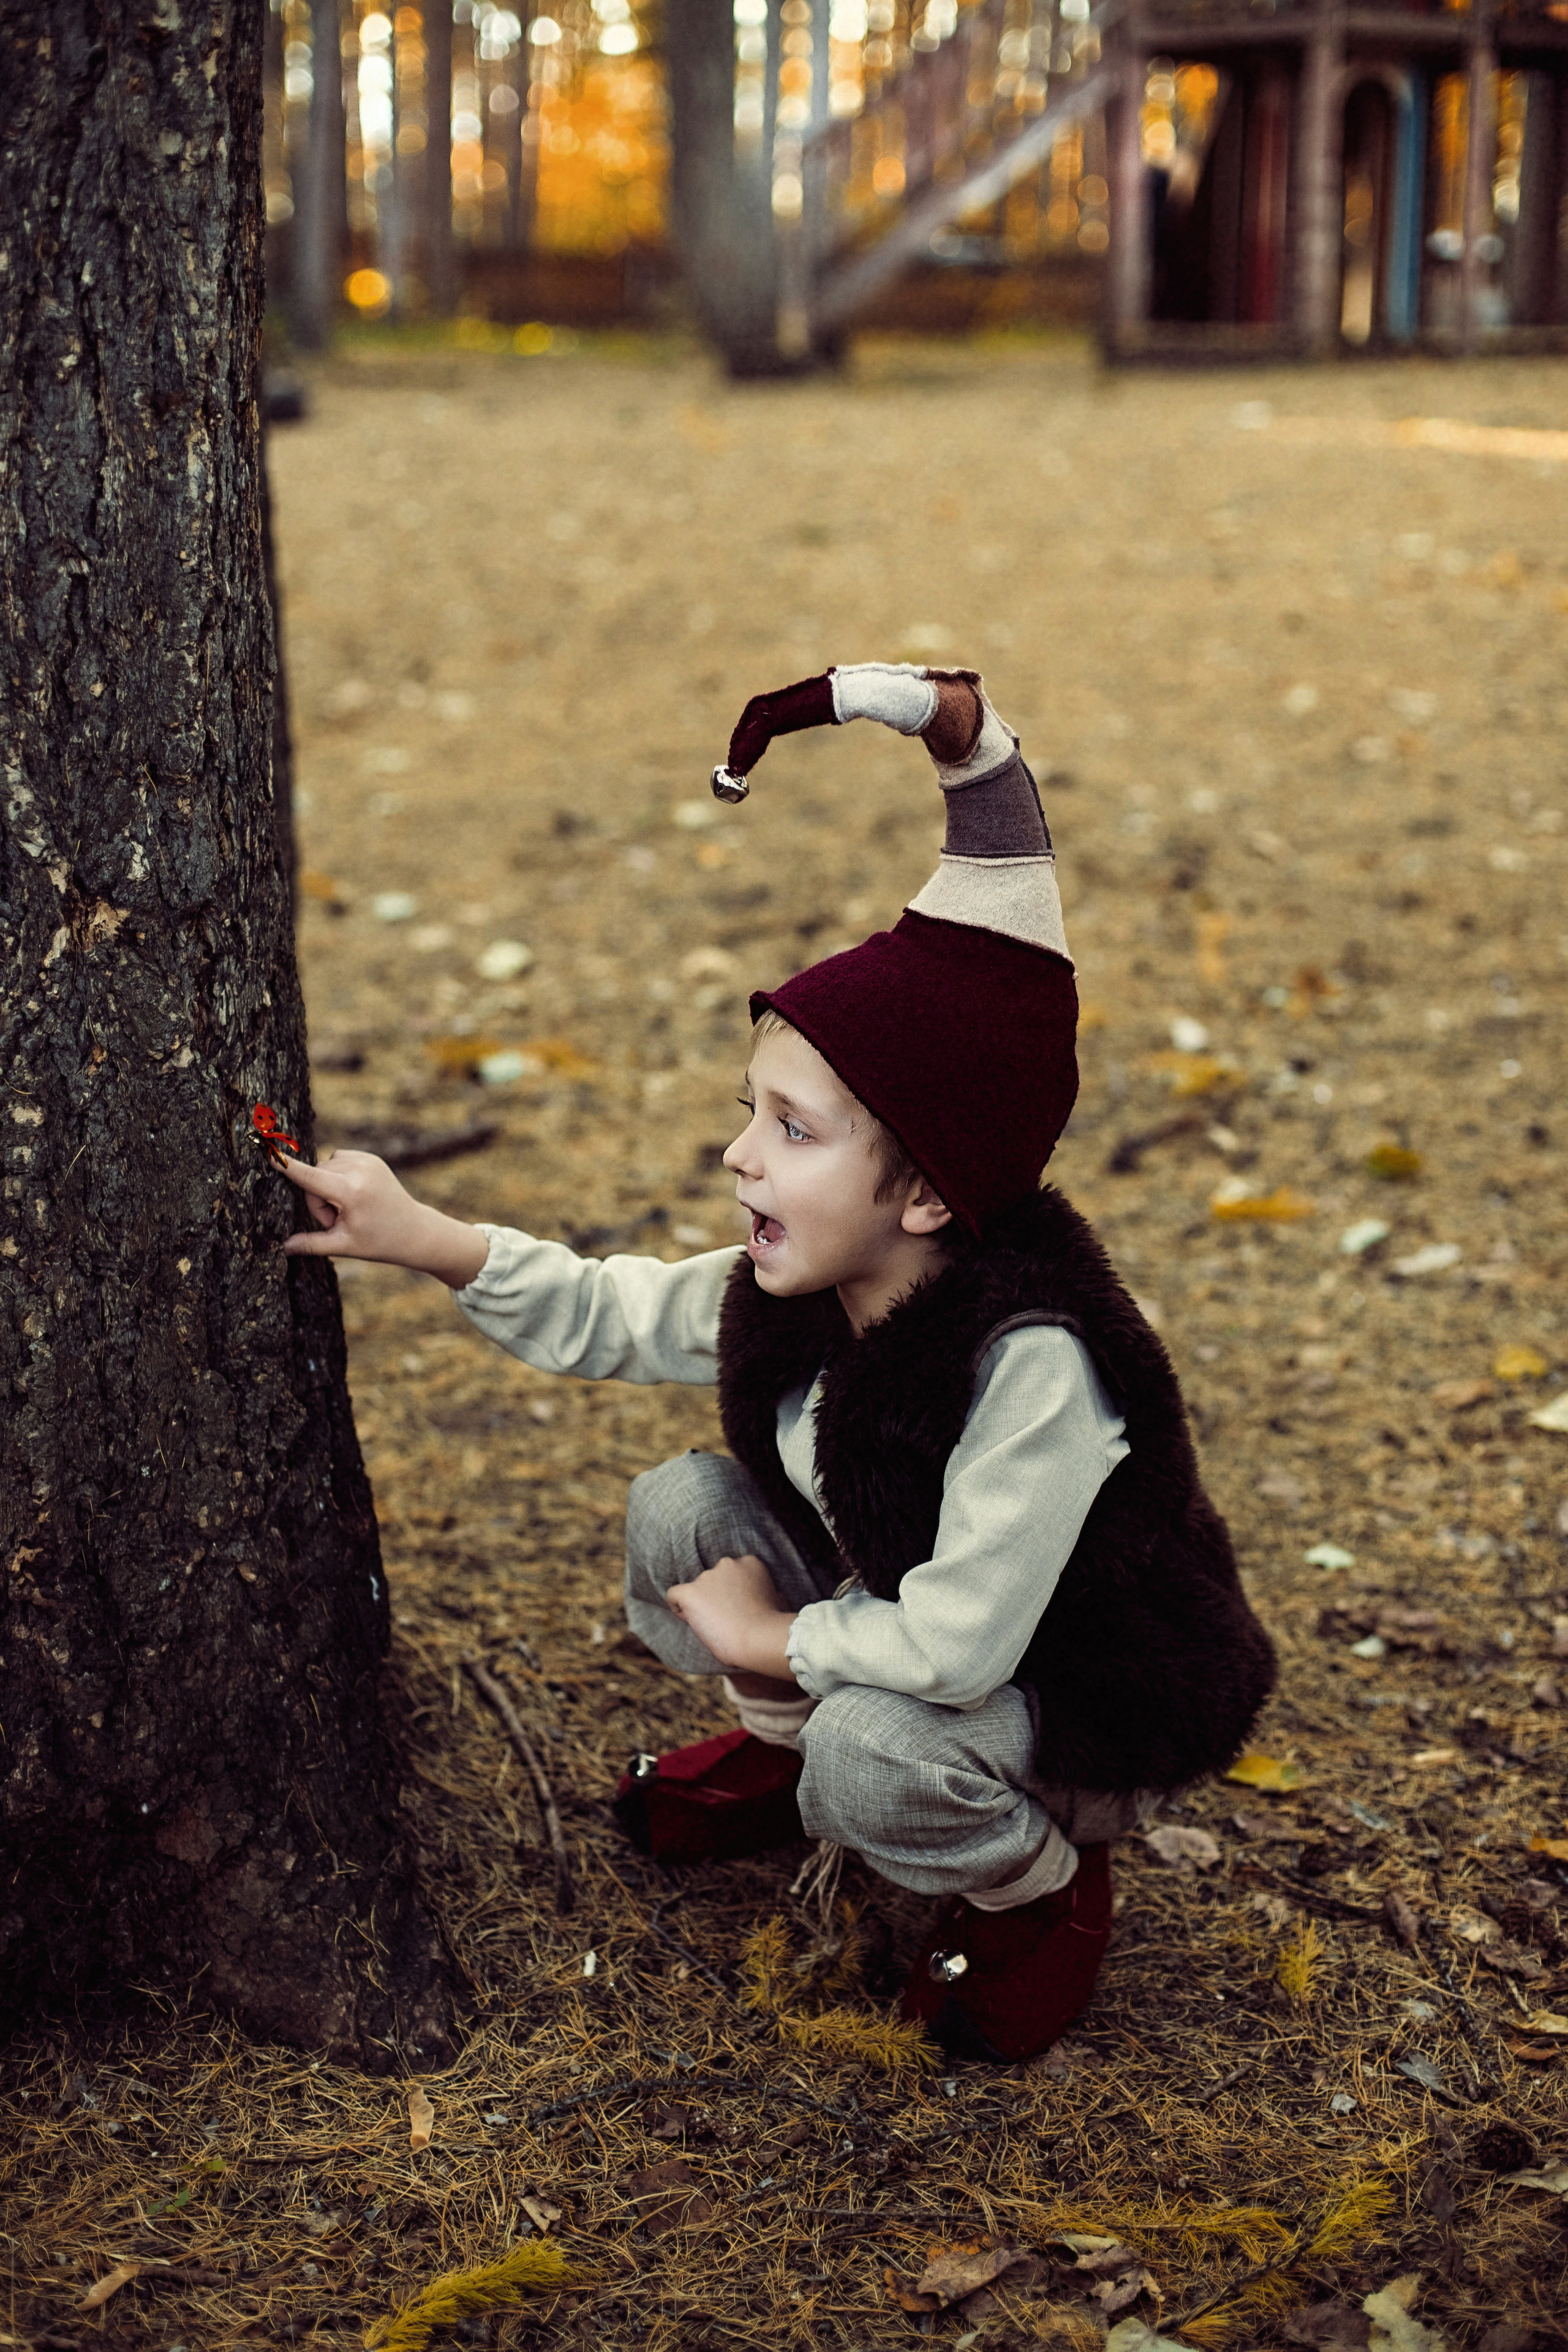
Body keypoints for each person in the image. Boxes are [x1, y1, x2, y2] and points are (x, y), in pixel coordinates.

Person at [280, 662, 1276, 2065]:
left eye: (793, 1131)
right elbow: (613, 1309)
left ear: (922, 1197)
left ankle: (1031, 1891)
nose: (741, 1153)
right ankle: (792, 1752)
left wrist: (775, 1638)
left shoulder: (1030, 1363)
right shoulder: (805, 1283)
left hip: (1076, 1699)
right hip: (909, 1629)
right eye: (748, 1110)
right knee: (682, 1508)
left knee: (877, 1738)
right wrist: (422, 1236)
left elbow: (955, 1645)